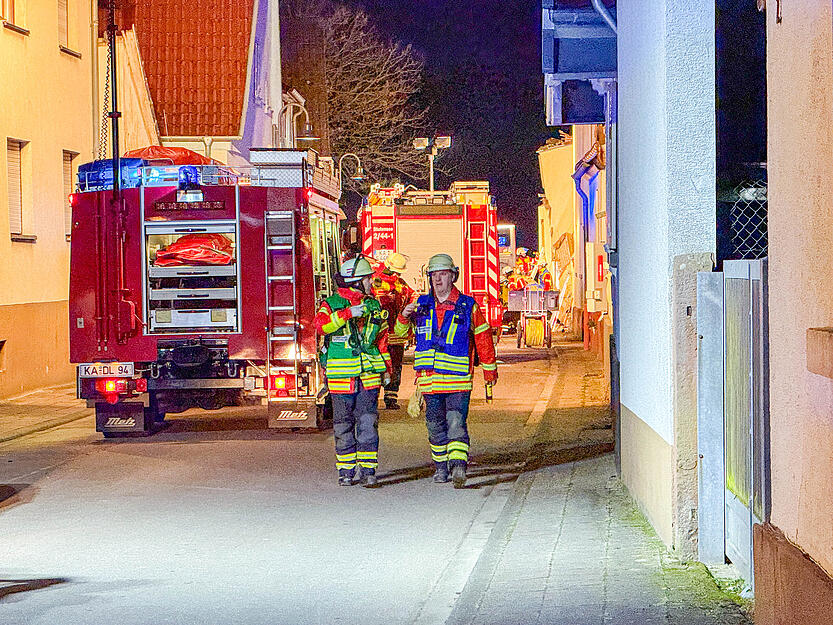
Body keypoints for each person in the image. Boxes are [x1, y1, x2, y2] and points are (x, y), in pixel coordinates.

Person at [397, 253, 498, 488]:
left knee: (456, 423)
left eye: (443, 274)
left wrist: (490, 371)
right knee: (434, 426)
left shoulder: (467, 306)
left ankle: (459, 466)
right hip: (429, 383)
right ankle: (441, 468)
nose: (438, 280)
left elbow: (483, 338)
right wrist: (403, 316)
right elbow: (400, 335)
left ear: (453, 276)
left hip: (457, 382)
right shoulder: (420, 306)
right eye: (434, 275)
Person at [315, 256, 392, 488]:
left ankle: (368, 470)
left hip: (368, 376)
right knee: (342, 424)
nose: (371, 282)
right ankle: (346, 471)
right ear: (355, 281)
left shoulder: (374, 305)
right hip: (340, 379)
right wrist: (348, 313)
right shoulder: (331, 304)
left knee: (368, 423)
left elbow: (381, 339)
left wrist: (387, 370)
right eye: (368, 278)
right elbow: (320, 326)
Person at [371, 252, 415, 410]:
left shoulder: (400, 284)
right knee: (377, 366)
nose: (397, 274)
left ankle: (391, 397)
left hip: (396, 334)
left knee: (396, 367)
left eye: (399, 272)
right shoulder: (376, 281)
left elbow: (411, 295)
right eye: (395, 271)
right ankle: (372, 397)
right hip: (379, 333)